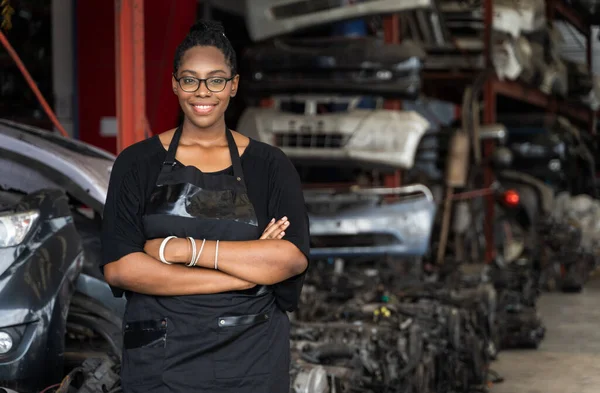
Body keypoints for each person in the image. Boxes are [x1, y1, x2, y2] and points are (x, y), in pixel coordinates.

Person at [100, 20, 310, 393]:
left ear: (233, 86)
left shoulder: (270, 166)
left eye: (215, 80)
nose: (203, 92)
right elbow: (121, 268)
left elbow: (289, 258)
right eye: (190, 79)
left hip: (252, 359)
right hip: (162, 363)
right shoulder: (137, 163)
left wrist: (180, 249)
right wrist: (242, 275)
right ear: (174, 84)